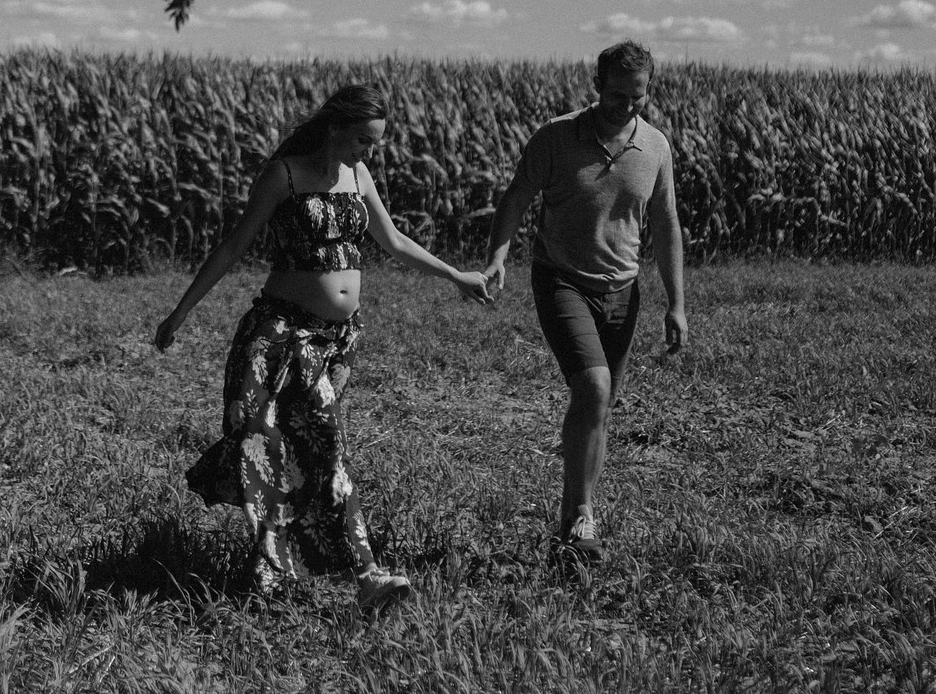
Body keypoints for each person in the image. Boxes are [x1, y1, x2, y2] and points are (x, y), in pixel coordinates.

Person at [154, 81, 491, 611]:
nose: (368, 152)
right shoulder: (284, 175)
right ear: (334, 128)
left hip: (336, 341)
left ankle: (273, 570)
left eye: (374, 143)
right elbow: (234, 246)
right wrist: (181, 312)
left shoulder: (358, 176)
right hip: (283, 337)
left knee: (301, 452)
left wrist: (455, 275)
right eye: (362, 140)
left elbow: (394, 241)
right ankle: (366, 575)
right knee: (314, 446)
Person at [483, 40, 687, 563]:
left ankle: (577, 517)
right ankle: (579, 516)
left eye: (638, 96)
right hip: (563, 280)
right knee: (593, 387)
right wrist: (498, 257)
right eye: (617, 95)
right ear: (597, 86)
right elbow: (516, 196)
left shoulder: (655, 146)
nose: (627, 105)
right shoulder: (556, 137)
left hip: (623, 290)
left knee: (601, 404)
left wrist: (676, 304)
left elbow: (665, 224)